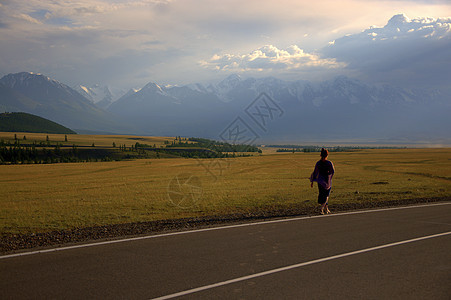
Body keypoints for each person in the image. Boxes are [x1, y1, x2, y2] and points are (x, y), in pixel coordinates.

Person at [310, 148, 335, 214]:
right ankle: (321, 209)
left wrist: (312, 181)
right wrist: (330, 177)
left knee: (322, 194)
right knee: (326, 195)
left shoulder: (318, 163)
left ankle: (327, 209)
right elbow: (332, 171)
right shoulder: (329, 163)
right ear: (327, 155)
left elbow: (315, 172)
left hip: (320, 181)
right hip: (327, 181)